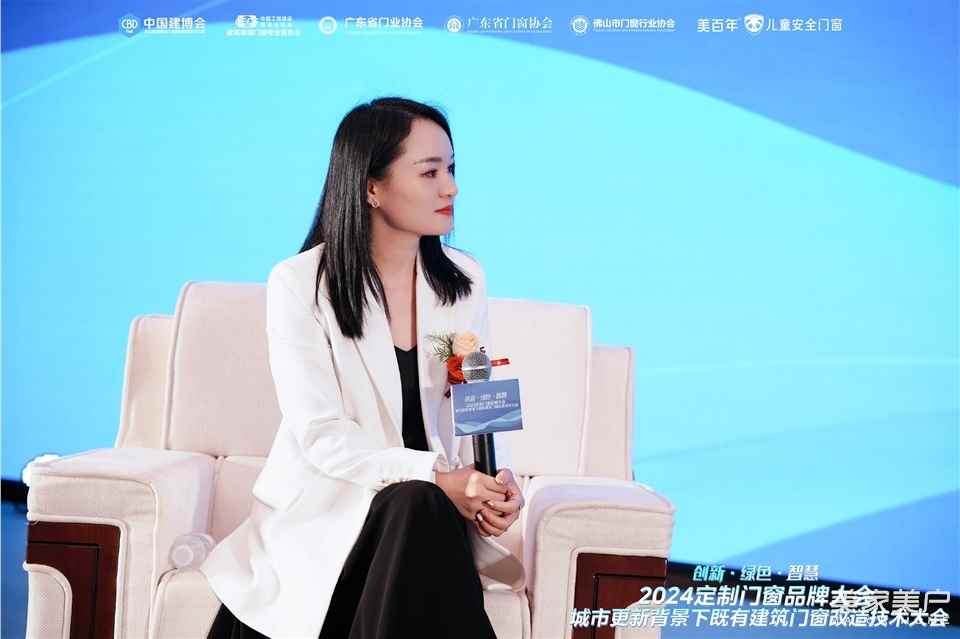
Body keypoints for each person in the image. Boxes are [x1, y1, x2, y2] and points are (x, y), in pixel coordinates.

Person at [202, 97, 526, 639]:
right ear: (371, 187)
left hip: (431, 519)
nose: (451, 188)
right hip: (335, 511)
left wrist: (495, 483)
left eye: (452, 169)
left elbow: (478, 397)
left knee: (421, 509)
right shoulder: (300, 284)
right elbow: (320, 434)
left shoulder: (464, 280)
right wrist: (437, 478)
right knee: (417, 500)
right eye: (429, 172)